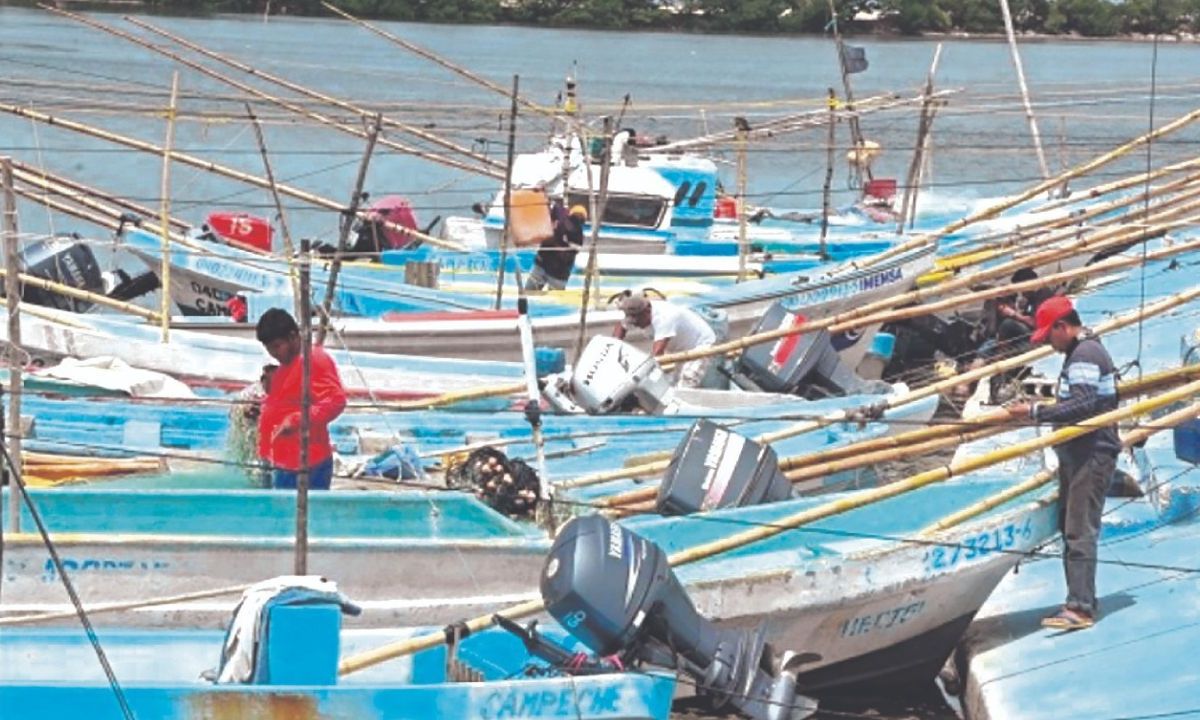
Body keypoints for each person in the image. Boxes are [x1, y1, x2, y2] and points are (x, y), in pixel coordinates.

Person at [1005, 296, 1119, 631]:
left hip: (1091, 454)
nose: (1049, 343)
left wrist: (1035, 413)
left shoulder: (1084, 354)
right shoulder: (1082, 351)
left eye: (1049, 335)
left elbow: (1083, 405)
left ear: (1062, 327)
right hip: (1078, 455)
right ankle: (1081, 598)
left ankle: (1080, 607)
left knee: (1079, 528)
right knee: (1071, 525)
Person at [255, 308, 347, 491]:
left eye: (277, 346)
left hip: (306, 464)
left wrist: (296, 420)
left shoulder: (314, 359)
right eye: (269, 349)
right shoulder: (285, 367)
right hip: (281, 462)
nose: (274, 354)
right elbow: (284, 402)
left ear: (292, 336)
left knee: (300, 517)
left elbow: (336, 401)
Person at [614, 290, 716, 388]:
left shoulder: (665, 317)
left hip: (700, 344)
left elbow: (657, 354)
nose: (638, 326)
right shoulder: (635, 314)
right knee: (674, 381)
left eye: (639, 322)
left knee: (687, 380)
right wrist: (613, 350)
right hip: (679, 348)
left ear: (647, 311)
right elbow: (621, 327)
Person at [525, 202, 586, 292]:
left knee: (529, 293)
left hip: (545, 265)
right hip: (557, 272)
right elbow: (571, 253)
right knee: (554, 300)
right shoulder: (578, 234)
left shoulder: (560, 222)